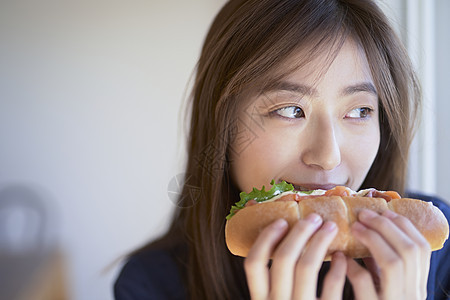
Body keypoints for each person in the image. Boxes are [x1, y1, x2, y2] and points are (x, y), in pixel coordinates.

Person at [114, 0, 450, 299]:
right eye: (290, 110)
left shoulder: (436, 247)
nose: (328, 156)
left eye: (360, 111)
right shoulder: (151, 284)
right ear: (222, 126)